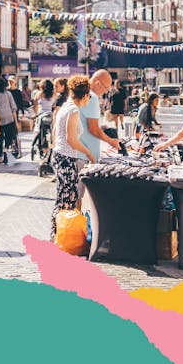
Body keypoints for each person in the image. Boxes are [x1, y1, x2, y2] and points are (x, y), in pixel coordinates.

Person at [49, 76, 97, 240]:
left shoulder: (64, 107)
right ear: (84, 95)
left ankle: (58, 236)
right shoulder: (74, 110)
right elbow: (71, 139)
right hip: (66, 157)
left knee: (63, 197)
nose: (88, 100)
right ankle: (59, 237)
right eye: (88, 96)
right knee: (67, 199)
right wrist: (89, 153)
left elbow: (56, 132)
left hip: (60, 155)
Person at [83, 70, 122, 172]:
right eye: (106, 88)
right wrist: (111, 141)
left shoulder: (84, 93)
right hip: (82, 155)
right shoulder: (92, 97)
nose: (106, 92)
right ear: (98, 83)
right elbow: (93, 129)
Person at [0, 78, 19, 163]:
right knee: (8, 137)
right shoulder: (8, 94)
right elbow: (13, 108)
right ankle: (6, 149)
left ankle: (0, 157)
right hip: (9, 118)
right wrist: (16, 121)